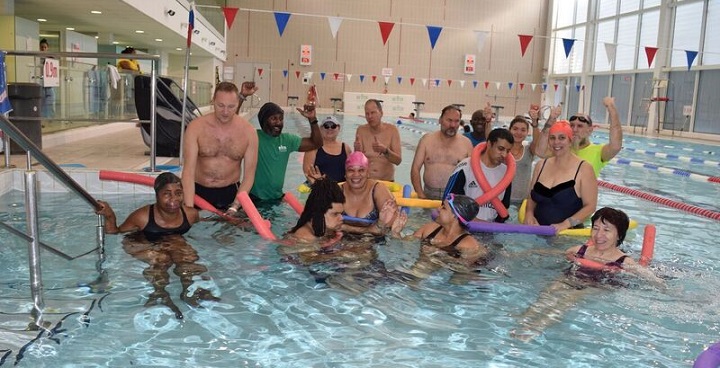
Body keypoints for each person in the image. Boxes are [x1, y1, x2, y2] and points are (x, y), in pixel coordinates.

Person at [511, 207, 664, 341]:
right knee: (551, 289)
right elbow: (557, 253)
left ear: (619, 235)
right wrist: (529, 252)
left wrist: (664, 288)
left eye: (606, 230)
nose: (599, 235)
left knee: (570, 298)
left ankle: (537, 327)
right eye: (595, 228)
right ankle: (525, 319)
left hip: (598, 285)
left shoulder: (623, 260)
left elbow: (648, 276)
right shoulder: (581, 250)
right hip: (573, 276)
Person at [95, 173, 217, 319]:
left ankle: (190, 290)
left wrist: (231, 220)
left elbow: (207, 221)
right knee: (161, 258)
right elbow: (115, 233)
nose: (173, 199)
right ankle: (160, 293)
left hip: (171, 240)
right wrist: (109, 215)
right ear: (157, 195)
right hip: (140, 241)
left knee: (187, 254)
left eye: (178, 193)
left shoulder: (190, 214)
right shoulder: (142, 217)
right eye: (167, 194)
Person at [181, 81, 258, 213]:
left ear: (237, 104)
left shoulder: (249, 132)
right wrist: (189, 208)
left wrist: (235, 206)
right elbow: (188, 171)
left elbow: (249, 175)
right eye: (220, 105)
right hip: (198, 192)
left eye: (231, 106)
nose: (225, 112)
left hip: (231, 194)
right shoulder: (196, 127)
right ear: (213, 101)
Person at [524, 120, 598, 232]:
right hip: (536, 232)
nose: (556, 142)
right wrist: (529, 214)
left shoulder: (584, 168)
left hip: (566, 237)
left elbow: (590, 207)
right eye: (552, 138)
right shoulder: (541, 165)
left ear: (570, 140)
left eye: (562, 138)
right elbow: (531, 197)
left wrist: (565, 224)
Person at [250, 101, 322, 202]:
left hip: (277, 198)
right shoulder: (253, 137)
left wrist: (312, 119)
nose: (278, 123)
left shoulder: (287, 140)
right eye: (273, 118)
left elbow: (316, 143)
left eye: (281, 119)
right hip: (254, 198)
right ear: (264, 120)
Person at [444, 128, 515, 223]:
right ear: (489, 144)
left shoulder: (506, 173)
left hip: (490, 231)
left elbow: (504, 207)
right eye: (501, 149)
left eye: (508, 151)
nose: (504, 155)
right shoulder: (465, 167)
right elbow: (447, 201)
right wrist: (474, 221)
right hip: (464, 227)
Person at [411, 105, 473, 200]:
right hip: (428, 195)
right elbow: (415, 168)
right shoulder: (426, 140)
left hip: (454, 197)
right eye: (449, 120)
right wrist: (420, 194)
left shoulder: (466, 143)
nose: (453, 125)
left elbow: (473, 174)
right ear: (440, 120)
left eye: (456, 121)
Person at [340, 151, 399, 236]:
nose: (356, 174)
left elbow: (392, 226)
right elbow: (325, 223)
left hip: (371, 241)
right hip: (342, 239)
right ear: (345, 173)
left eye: (361, 170)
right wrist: (371, 229)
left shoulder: (378, 190)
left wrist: (344, 227)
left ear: (368, 173)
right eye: (351, 170)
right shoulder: (338, 191)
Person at [570, 97, 623, 177]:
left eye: (580, 126)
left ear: (590, 130)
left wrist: (611, 108)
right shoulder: (561, 148)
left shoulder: (599, 152)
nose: (574, 129)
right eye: (572, 125)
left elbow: (616, 146)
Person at [353, 99, 402, 181]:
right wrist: (357, 152)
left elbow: (398, 161)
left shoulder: (392, 130)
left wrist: (385, 151)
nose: (370, 116)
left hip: (386, 182)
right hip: (366, 182)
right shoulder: (361, 130)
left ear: (381, 113)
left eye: (373, 113)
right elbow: (357, 163)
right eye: (367, 114)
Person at [286, 178, 345, 242]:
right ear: (318, 213)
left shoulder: (324, 228)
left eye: (341, 213)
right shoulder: (303, 239)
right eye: (335, 214)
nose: (341, 218)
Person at [508, 107, 544, 205]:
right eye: (515, 129)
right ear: (509, 130)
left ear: (527, 132)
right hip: (503, 199)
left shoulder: (528, 150)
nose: (519, 133)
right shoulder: (503, 150)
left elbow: (537, 142)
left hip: (523, 201)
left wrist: (535, 123)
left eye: (523, 130)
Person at [302, 115, 351, 183]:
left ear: (338, 128)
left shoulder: (345, 148)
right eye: (326, 126)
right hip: (319, 189)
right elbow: (307, 172)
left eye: (333, 126)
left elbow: (352, 170)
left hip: (340, 189)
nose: (329, 129)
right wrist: (320, 186)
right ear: (321, 128)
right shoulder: (313, 147)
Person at [39, 38, 55, 118]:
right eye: (42, 47)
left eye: (45, 47)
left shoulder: (51, 58)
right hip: (41, 83)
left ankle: (50, 118)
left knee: (50, 101)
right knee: (41, 102)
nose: (43, 49)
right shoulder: (38, 58)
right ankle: (42, 118)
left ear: (47, 48)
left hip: (49, 84)